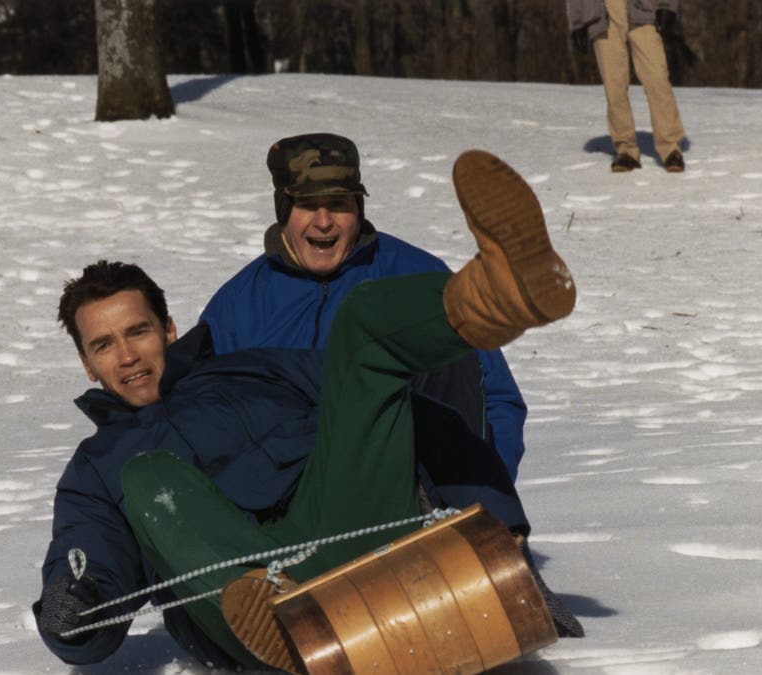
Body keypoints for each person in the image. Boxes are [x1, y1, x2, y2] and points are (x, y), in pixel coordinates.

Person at [34, 150, 584, 668]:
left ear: (169, 330)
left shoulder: (252, 367)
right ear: (87, 364)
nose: (127, 356)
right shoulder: (96, 466)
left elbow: (414, 419)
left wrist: (500, 544)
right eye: (104, 345)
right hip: (236, 604)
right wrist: (72, 606)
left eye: (138, 331)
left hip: (341, 529)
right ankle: (280, 612)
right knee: (150, 477)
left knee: (360, 328)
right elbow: (88, 558)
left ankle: (496, 297)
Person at [198, 132, 532, 481]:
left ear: (358, 207)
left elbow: (497, 399)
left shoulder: (419, 276)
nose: (324, 221)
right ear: (284, 209)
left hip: (412, 493)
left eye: (340, 204)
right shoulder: (237, 306)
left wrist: (491, 493)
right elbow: (204, 419)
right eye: (308, 205)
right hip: (290, 500)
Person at [567, 0, 686, 173]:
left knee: (657, 79)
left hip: (643, 9)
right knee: (614, 85)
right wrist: (577, 22)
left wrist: (667, 5)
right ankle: (626, 150)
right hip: (601, 14)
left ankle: (671, 148)